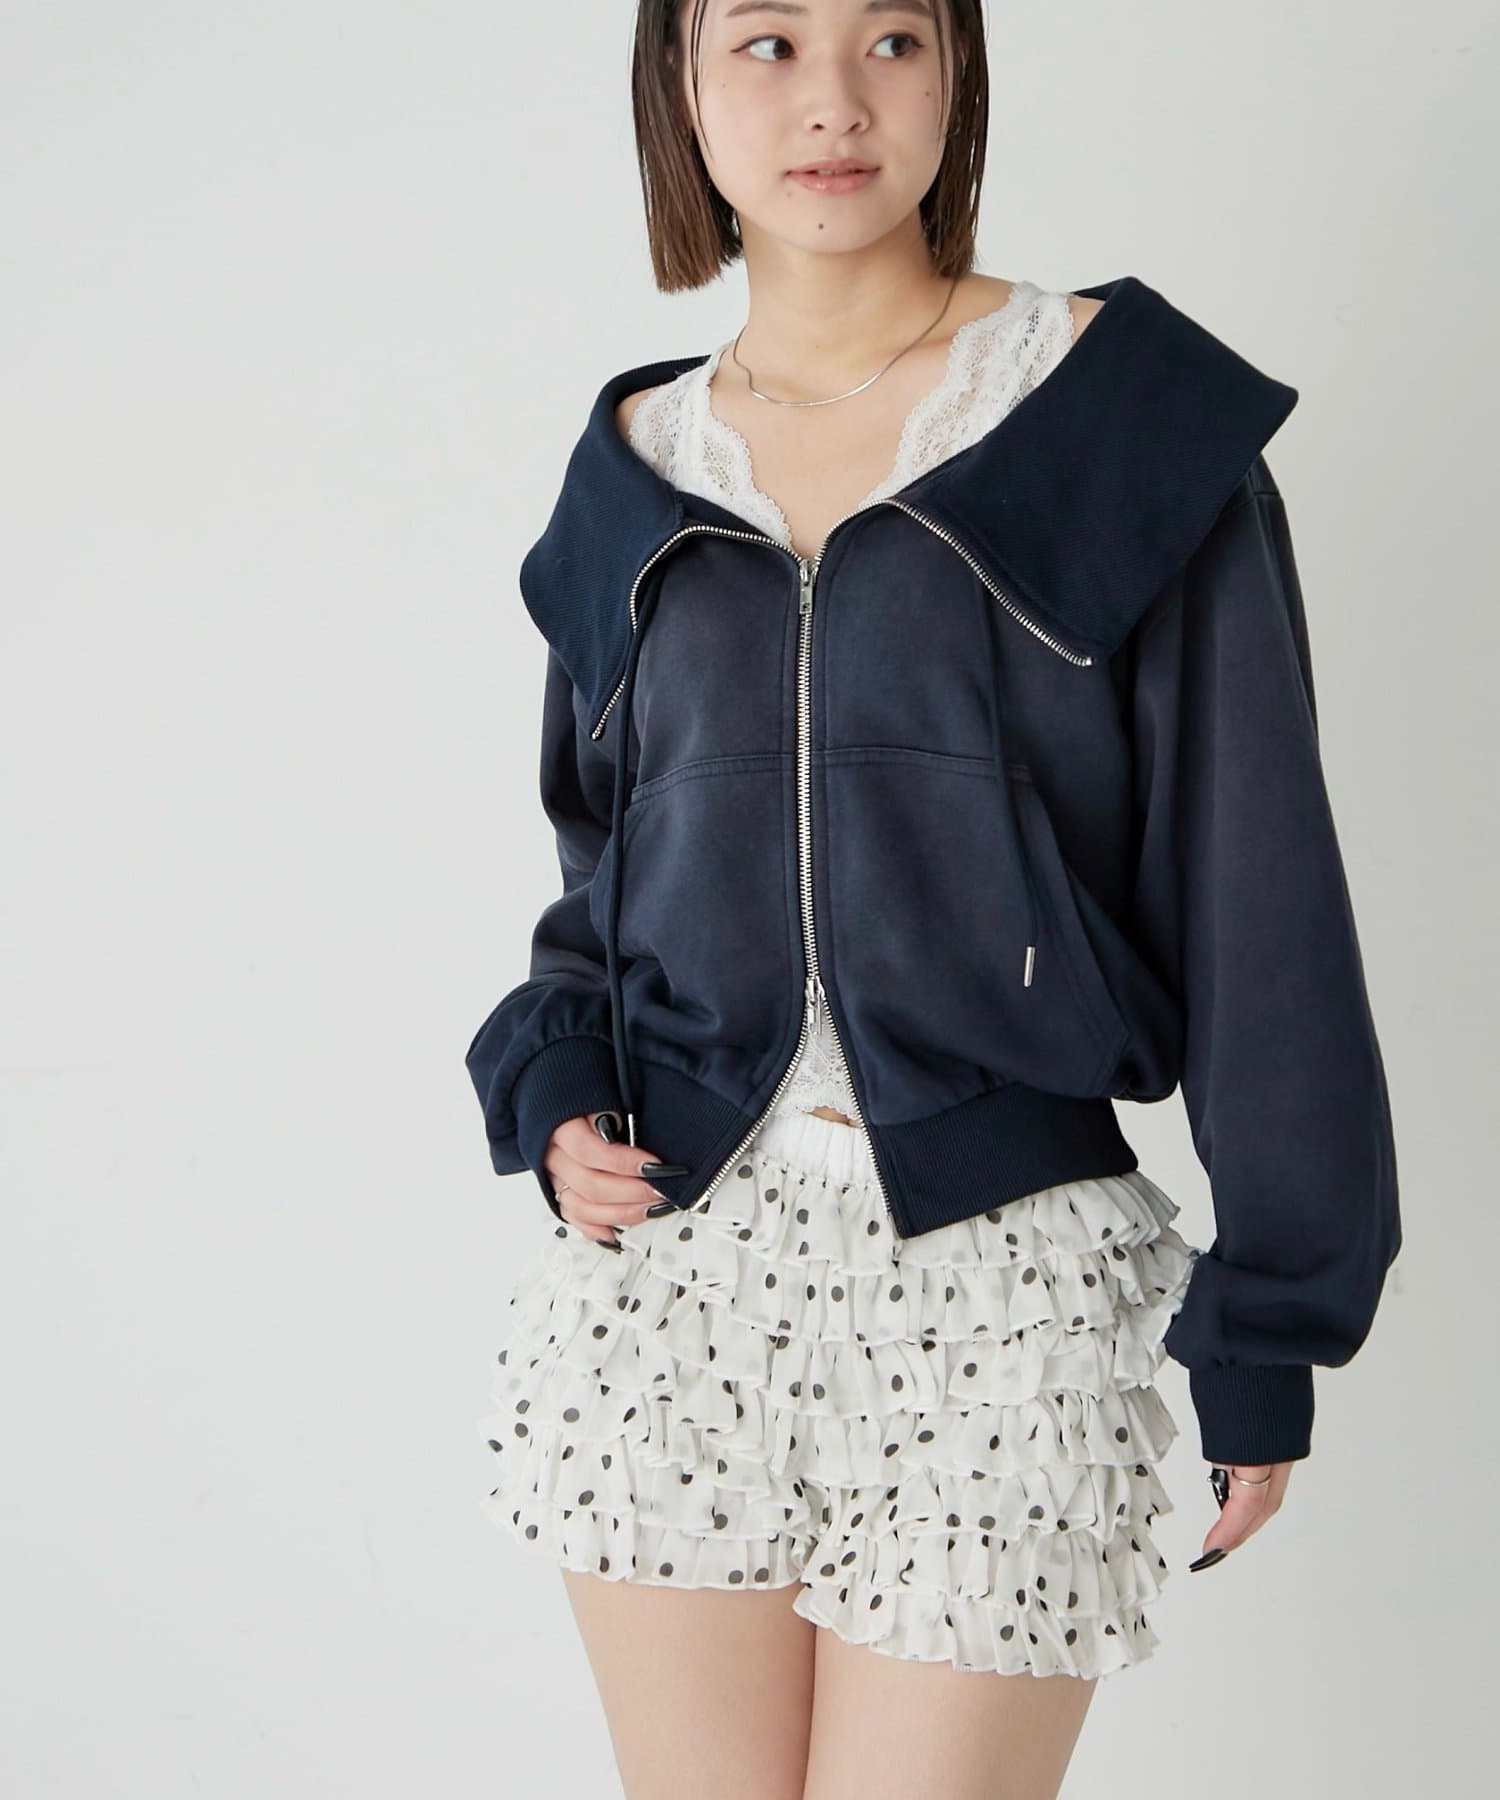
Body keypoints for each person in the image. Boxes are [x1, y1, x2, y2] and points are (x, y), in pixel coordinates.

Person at [465, 2, 1401, 1793]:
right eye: (766, 40)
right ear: (679, 81)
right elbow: (604, 866)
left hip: (1003, 1289)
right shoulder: (638, 463)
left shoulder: (1121, 422)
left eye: (893, 34)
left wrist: (1272, 1318)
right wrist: (560, 1080)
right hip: (670, 1283)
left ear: (959, 67)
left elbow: (1263, 894)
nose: (832, 98)